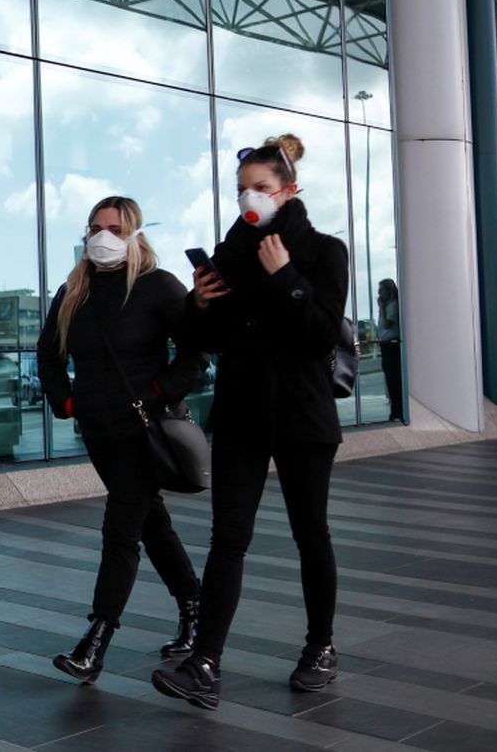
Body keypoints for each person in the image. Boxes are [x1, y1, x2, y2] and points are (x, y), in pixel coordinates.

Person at [152, 134, 349, 710]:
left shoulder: (324, 252)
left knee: (310, 533)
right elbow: (204, 342)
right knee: (228, 539)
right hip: (241, 414)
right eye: (242, 191)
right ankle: (204, 663)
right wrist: (200, 304)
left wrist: (287, 276)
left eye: (260, 189)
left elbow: (318, 335)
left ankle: (321, 647)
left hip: (303, 415)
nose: (249, 201)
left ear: (289, 191)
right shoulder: (230, 253)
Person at [37, 196, 210, 684]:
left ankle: (96, 639)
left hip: (143, 430)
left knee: (121, 530)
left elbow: (197, 352)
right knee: (150, 523)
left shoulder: (157, 286)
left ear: (134, 233)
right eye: (94, 227)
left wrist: (158, 395)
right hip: (97, 431)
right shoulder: (75, 290)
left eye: (113, 228)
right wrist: (66, 402)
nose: (101, 237)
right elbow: (48, 354)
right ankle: (194, 609)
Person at [377, 278, 403, 421]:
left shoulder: (393, 306)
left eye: (381, 290)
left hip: (392, 344)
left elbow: (387, 325)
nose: (379, 293)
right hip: (385, 344)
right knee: (390, 379)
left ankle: (397, 411)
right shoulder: (387, 306)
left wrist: (381, 308)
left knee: (394, 380)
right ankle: (395, 409)